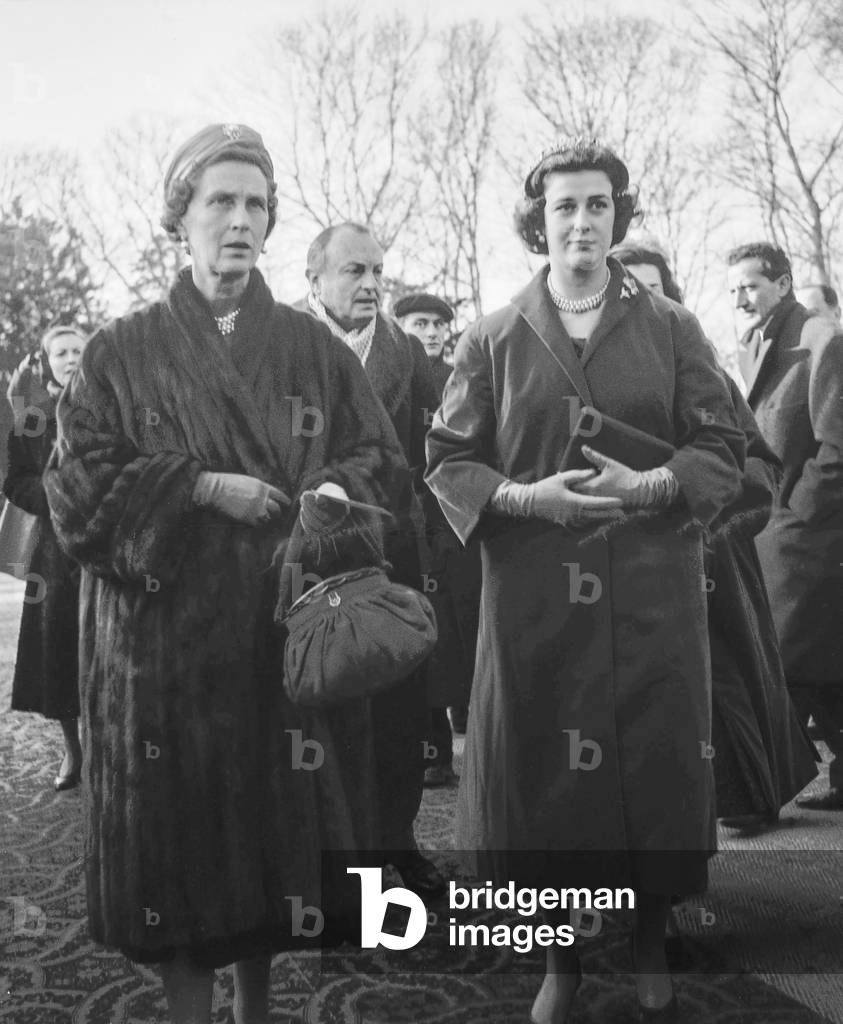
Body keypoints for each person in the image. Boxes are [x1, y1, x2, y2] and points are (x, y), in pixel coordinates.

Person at [44, 124, 405, 1024]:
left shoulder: (313, 348)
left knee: (270, 855)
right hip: (159, 657)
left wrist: (333, 494)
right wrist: (199, 487)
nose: (239, 220)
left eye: (255, 204)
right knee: (180, 859)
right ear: (182, 217)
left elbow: (380, 461)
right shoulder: (118, 350)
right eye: (220, 202)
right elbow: (75, 492)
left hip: (275, 638)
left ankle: (256, 1010)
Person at [426, 137, 745, 1023]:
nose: (580, 221)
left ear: (617, 215)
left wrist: (652, 486)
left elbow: (722, 444)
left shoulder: (672, 328)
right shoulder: (493, 336)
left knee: (649, 763)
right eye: (563, 206)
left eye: (597, 204)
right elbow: (447, 460)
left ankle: (647, 940)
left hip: (648, 588)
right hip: (534, 597)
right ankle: (559, 961)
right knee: (545, 779)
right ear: (540, 221)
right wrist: (524, 499)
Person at [614, 242, 818, 831]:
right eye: (625, 289)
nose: (638, 301)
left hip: (705, 551)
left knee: (721, 676)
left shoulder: (700, 368)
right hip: (618, 562)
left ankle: (744, 795)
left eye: (652, 289)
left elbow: (757, 462)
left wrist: (709, 521)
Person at [299, 223, 446, 894]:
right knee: (320, 709)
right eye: (354, 270)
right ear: (314, 279)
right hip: (308, 558)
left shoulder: (405, 351)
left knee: (399, 706)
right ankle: (331, 857)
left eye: (378, 271)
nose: (371, 284)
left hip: (393, 555)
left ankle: (397, 839)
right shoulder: (283, 345)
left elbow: (442, 440)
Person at [728, 242, 843, 812]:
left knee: (789, 661)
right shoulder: (752, 345)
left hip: (806, 536)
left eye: (750, 285)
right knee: (813, 665)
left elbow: (837, 446)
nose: (740, 299)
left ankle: (757, 793)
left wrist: (796, 514)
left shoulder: (822, 338)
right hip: (770, 531)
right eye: (733, 290)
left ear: (783, 283)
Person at [395, 292, 481, 779]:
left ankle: (479, 737)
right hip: (406, 519)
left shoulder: (460, 379)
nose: (431, 332)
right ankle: (435, 754)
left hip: (455, 520)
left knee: (465, 625)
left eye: (437, 324)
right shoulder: (390, 377)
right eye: (420, 323)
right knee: (419, 631)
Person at [5, 325, 87, 791]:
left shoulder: (110, 410)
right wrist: (53, 497)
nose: (71, 358)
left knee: (108, 649)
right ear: (46, 363)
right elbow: (14, 480)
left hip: (106, 548)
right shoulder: (33, 419)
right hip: (55, 553)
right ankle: (72, 749)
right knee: (58, 648)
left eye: (78, 350)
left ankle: (111, 746)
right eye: (61, 353)